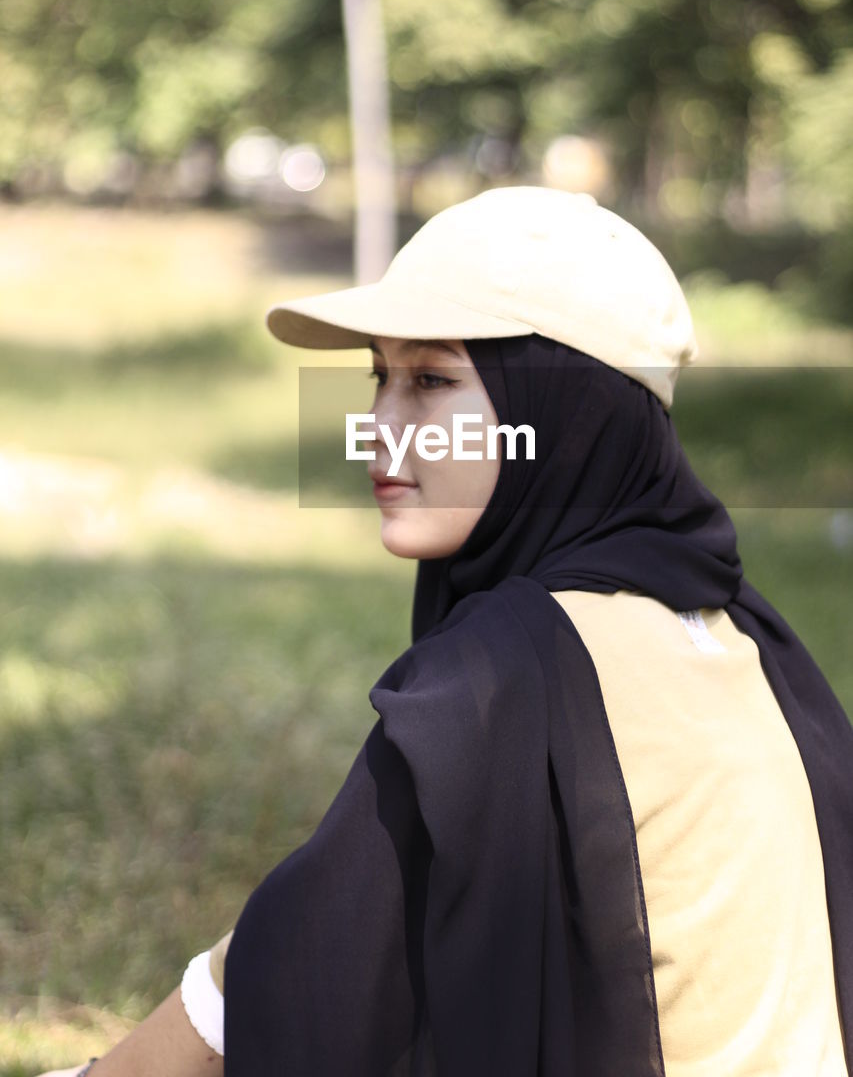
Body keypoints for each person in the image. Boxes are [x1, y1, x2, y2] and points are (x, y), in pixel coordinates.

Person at [41, 187, 853, 1077]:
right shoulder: (743, 637)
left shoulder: (509, 672)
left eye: (430, 381)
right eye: (378, 378)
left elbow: (296, 967)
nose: (379, 429)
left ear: (562, 413)